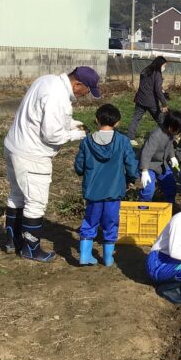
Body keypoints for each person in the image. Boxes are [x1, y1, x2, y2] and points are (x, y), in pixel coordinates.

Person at [4, 66, 100, 263]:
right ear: (77, 84)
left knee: (17, 195)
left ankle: (12, 241)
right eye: (87, 90)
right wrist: (77, 134)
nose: (86, 94)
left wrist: (71, 123)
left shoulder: (47, 80)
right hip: (32, 155)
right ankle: (31, 249)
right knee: (36, 203)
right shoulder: (58, 96)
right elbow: (52, 135)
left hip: (15, 145)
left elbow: (43, 116)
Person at [74, 104, 139, 266]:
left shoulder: (87, 142)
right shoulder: (123, 141)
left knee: (89, 221)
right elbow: (131, 164)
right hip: (114, 191)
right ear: (117, 123)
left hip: (93, 191)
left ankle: (85, 255)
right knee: (111, 223)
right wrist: (131, 179)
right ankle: (109, 258)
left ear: (96, 120)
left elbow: (79, 167)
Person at [138, 111, 181, 203]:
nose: (178, 133)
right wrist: (144, 171)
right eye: (178, 130)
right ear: (171, 126)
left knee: (170, 184)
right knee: (148, 189)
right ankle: (143, 208)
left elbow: (170, 146)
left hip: (161, 164)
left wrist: (172, 157)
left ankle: (169, 206)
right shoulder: (156, 136)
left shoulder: (170, 133)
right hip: (149, 165)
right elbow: (146, 153)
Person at [127, 56, 168, 145]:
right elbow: (157, 90)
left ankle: (130, 138)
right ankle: (166, 136)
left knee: (135, 119)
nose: (164, 68)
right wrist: (164, 103)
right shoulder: (157, 74)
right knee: (161, 119)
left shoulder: (145, 70)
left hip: (140, 98)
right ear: (160, 64)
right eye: (164, 65)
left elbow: (148, 84)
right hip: (151, 101)